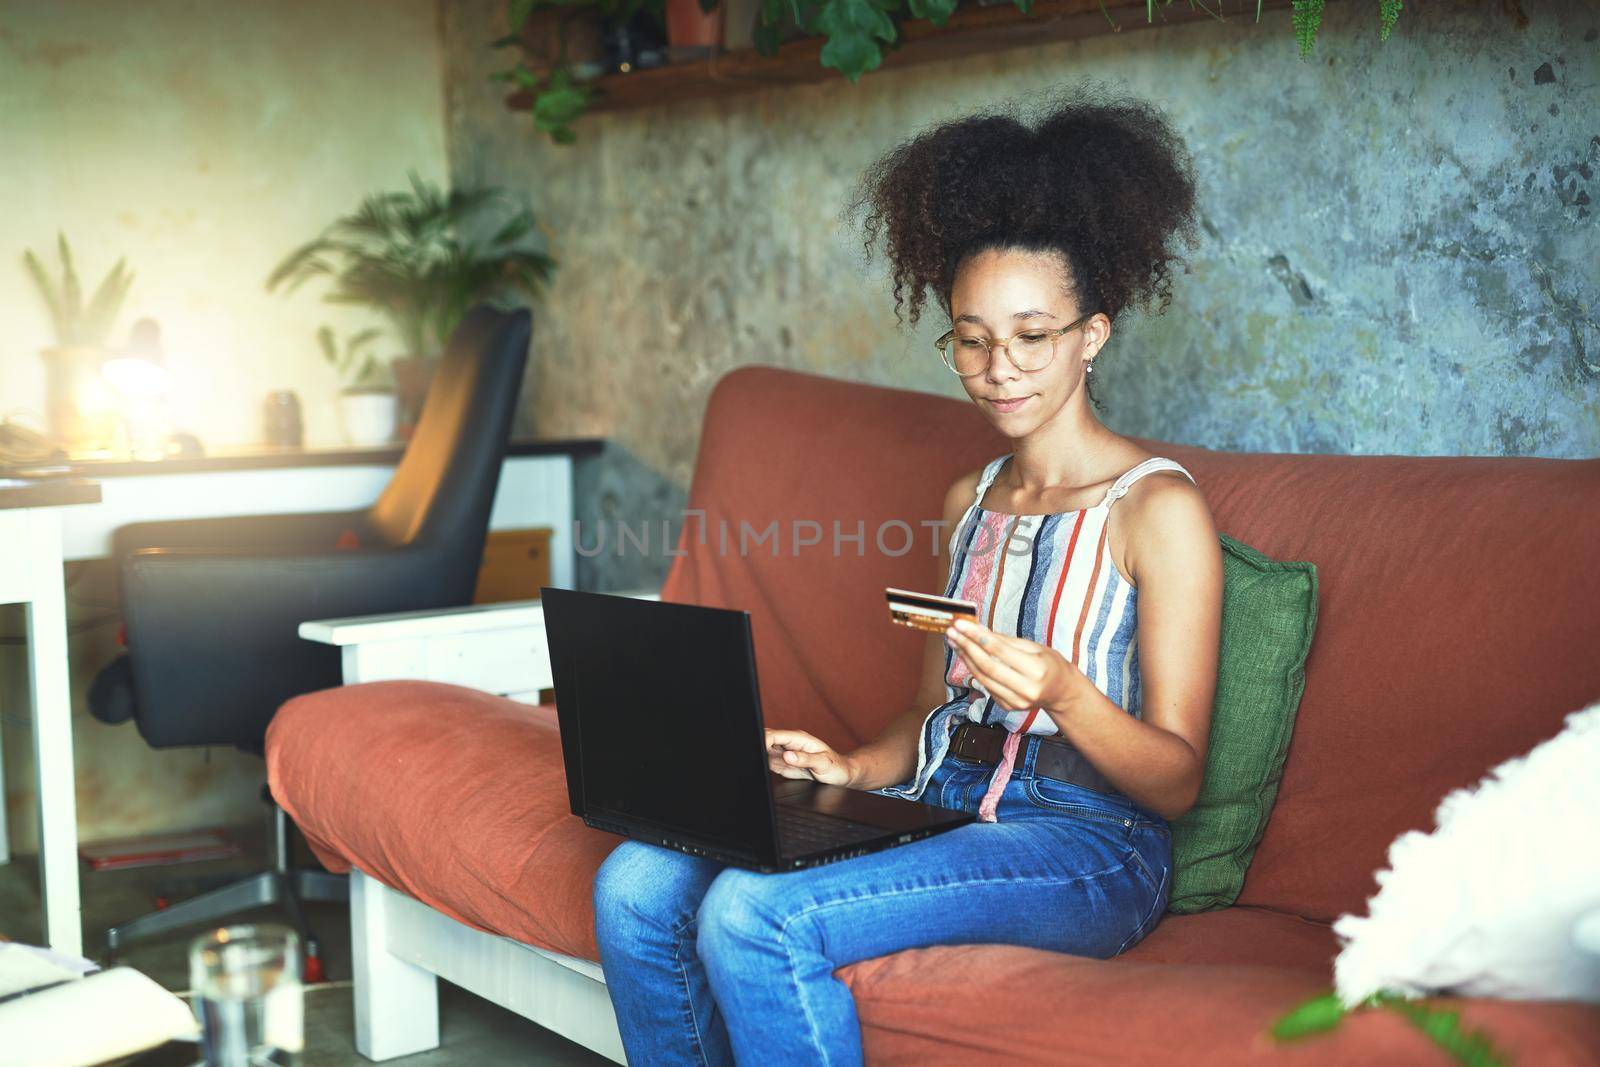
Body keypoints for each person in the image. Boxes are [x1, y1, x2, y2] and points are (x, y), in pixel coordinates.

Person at [591, 82, 1225, 1066]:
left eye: (1031, 335)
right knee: (633, 882)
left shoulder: (1157, 511)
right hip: (939, 804)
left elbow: (1177, 779)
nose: (997, 368)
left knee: (753, 915)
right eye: (970, 339)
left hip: (1088, 843)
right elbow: (929, 714)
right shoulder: (965, 500)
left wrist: (1063, 690)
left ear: (1091, 335)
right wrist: (850, 769)